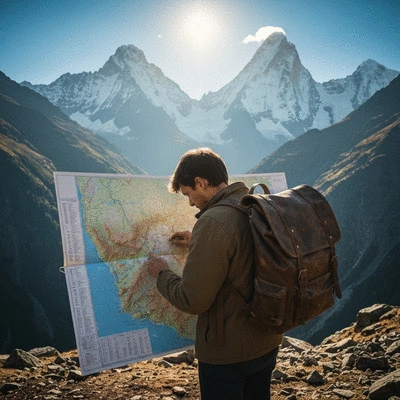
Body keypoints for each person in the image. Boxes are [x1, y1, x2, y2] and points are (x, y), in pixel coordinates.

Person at [145, 147, 282, 400]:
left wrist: (162, 274)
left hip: (228, 353)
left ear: (200, 182)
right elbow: (243, 251)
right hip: (266, 341)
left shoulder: (213, 222)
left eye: (188, 193)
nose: (190, 202)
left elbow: (193, 299)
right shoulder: (252, 204)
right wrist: (198, 242)